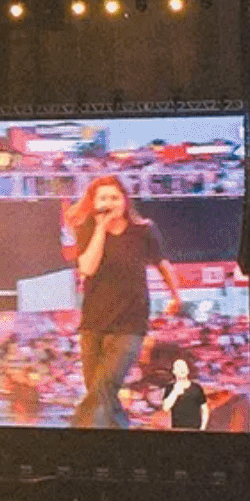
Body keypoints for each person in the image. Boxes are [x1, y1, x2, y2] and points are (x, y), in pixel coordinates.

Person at [61, 175, 181, 428]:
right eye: (102, 198)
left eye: (114, 197)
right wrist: (101, 230)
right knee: (101, 394)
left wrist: (175, 295)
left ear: (125, 201)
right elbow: (88, 267)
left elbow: (162, 263)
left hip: (130, 323)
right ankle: (122, 440)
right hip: (93, 323)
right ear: (94, 202)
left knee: (104, 387)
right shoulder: (87, 229)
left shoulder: (143, 230)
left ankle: (72, 438)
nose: (109, 202)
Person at [159, 360, 207, 431]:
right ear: (174, 371)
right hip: (177, 430)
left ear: (188, 370)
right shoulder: (170, 388)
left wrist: (203, 428)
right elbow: (166, 408)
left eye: (184, 367)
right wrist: (175, 392)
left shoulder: (197, 388)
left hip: (195, 431)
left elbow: (204, 409)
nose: (182, 369)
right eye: (178, 367)